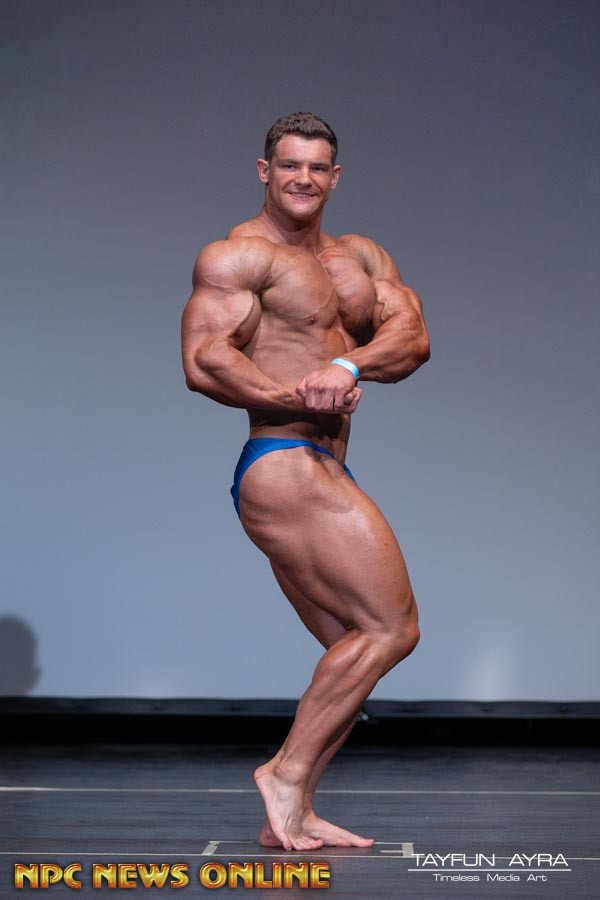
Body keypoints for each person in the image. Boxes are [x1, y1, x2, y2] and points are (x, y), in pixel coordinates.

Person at [181, 112, 430, 851]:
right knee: (392, 629)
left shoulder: (360, 258)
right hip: (283, 460)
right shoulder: (238, 256)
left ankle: (289, 812)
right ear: (265, 171)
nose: (303, 179)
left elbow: (411, 339)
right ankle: (285, 774)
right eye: (289, 165)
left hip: (323, 463)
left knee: (352, 652)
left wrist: (347, 365)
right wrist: (298, 395)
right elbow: (204, 360)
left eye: (317, 168)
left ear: (335, 176)